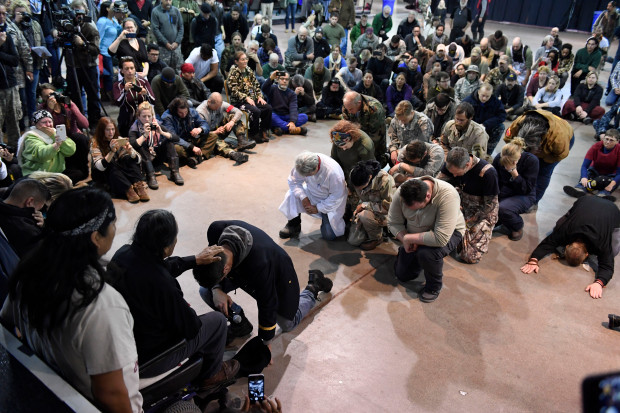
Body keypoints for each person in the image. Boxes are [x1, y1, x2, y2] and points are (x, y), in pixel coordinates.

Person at [1, 188, 143, 412]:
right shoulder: (102, 305)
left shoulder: (29, 272)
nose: (115, 230)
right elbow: (111, 394)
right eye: (113, 224)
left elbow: (7, 321)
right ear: (96, 238)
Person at [108, 209, 239, 390]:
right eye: (175, 237)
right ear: (166, 247)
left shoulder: (122, 254)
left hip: (122, 342)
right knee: (217, 322)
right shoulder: (163, 285)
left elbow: (158, 267)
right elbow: (191, 327)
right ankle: (211, 375)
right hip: (150, 360)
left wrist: (194, 260)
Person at [194, 220, 333, 346]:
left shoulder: (261, 264)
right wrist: (216, 289)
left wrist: (265, 343)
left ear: (226, 269)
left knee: (288, 323)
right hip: (239, 270)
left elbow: (267, 303)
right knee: (206, 291)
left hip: (279, 274)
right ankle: (240, 325)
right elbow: (210, 265)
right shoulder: (216, 230)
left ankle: (313, 286)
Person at [520, 196, 620, 299]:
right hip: (586, 200)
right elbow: (548, 244)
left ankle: (601, 200)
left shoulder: (601, 244)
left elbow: (607, 266)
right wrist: (533, 260)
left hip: (612, 209)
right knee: (558, 228)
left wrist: (599, 283)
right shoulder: (565, 231)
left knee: (614, 250)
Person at [387, 176, 465, 302]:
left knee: (427, 254)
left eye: (417, 208)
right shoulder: (403, 192)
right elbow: (393, 222)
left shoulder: (449, 196)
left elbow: (441, 238)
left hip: (448, 233)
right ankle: (416, 257)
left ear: (428, 196)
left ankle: (434, 287)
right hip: (415, 232)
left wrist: (409, 238)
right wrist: (404, 238)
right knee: (402, 275)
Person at [439, 147, 499, 263]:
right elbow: (439, 184)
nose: (454, 176)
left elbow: (490, 206)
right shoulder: (451, 164)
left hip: (481, 213)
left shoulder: (488, 173)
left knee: (469, 256)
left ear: (467, 165)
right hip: (460, 203)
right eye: (452, 173)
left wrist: (467, 223)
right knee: (439, 238)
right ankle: (457, 236)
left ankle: (461, 236)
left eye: (457, 173)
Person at [504, 109, 573, 204]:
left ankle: (533, 201)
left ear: (539, 144)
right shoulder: (517, 124)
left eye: (529, 149)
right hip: (537, 140)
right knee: (520, 163)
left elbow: (559, 156)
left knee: (543, 172)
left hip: (562, 134)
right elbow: (508, 140)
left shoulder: (558, 139)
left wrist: (540, 154)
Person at [279, 152, 348, 240]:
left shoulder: (333, 173)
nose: (306, 177)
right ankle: (293, 225)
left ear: (316, 168)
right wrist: (303, 197)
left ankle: (345, 215)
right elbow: (294, 181)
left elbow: (336, 197)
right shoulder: (301, 164)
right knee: (291, 194)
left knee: (329, 235)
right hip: (311, 192)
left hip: (329, 201)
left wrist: (318, 208)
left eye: (308, 175)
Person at [38, 85, 90, 183]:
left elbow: (85, 124)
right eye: (47, 96)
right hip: (56, 140)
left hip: (72, 137)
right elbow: (42, 127)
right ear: (43, 99)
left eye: (51, 94)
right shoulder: (42, 108)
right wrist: (49, 110)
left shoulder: (66, 104)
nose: (51, 97)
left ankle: (84, 171)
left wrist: (72, 105)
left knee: (81, 139)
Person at [16, 110, 85, 183]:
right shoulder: (31, 137)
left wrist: (53, 136)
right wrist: (56, 145)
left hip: (56, 173)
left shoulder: (56, 132)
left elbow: (71, 150)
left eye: (50, 121)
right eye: (44, 122)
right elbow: (42, 155)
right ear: (36, 124)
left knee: (78, 174)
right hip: (37, 175)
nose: (48, 125)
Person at [91, 117, 147, 203]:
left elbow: (139, 160)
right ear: (102, 130)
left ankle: (138, 185)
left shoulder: (118, 138)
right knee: (111, 163)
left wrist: (130, 151)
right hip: (104, 173)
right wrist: (112, 151)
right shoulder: (95, 143)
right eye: (107, 130)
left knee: (129, 158)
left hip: (118, 171)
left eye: (113, 129)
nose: (111, 132)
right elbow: (100, 167)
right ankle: (128, 189)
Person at [492, 137, 538, 241]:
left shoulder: (531, 161)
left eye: (509, 163)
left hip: (524, 194)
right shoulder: (499, 157)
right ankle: (501, 219)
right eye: (504, 163)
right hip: (504, 189)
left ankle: (517, 226)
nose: (505, 167)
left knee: (504, 208)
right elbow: (494, 179)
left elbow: (526, 189)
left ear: (519, 157)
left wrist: (514, 173)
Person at [128, 101, 182, 188]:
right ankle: (151, 176)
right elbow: (133, 145)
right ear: (138, 116)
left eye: (149, 116)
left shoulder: (156, 124)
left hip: (157, 156)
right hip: (144, 160)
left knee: (169, 141)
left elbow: (176, 138)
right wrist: (144, 135)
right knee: (140, 145)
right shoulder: (134, 128)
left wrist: (162, 132)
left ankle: (175, 172)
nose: (147, 119)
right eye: (144, 116)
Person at [347, 160, 395, 250]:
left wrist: (365, 206)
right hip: (363, 208)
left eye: (361, 187)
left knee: (364, 215)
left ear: (369, 177)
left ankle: (376, 238)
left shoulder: (385, 181)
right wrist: (354, 213)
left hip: (384, 213)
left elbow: (389, 207)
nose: (359, 189)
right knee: (353, 241)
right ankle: (368, 227)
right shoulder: (354, 174)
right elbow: (355, 195)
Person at [227, 51, 273, 143]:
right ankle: (253, 133)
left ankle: (263, 131)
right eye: (242, 59)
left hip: (252, 98)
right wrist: (246, 98)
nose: (245, 61)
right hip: (239, 101)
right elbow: (234, 91)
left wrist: (259, 96)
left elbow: (256, 85)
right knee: (256, 111)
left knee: (268, 108)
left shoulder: (249, 70)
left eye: (246, 59)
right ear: (236, 61)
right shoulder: (233, 73)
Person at [563, 129, 620, 202]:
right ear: (603, 138)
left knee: (608, 183)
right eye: (606, 139)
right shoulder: (596, 146)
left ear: (617, 141)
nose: (608, 142)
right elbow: (584, 166)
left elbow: (619, 173)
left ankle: (603, 193)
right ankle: (580, 188)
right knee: (588, 176)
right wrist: (584, 177)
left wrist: (612, 184)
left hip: (610, 175)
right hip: (595, 171)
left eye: (611, 140)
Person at [0, 178, 49, 257]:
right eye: (38, 209)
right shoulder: (27, 231)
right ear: (29, 202)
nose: (38, 213)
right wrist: (43, 228)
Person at [113, 56, 155, 137]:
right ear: (122, 70)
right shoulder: (118, 85)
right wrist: (124, 91)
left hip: (143, 119)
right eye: (126, 69)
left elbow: (153, 100)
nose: (130, 71)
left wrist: (146, 94)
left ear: (135, 69)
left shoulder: (143, 82)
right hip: (126, 121)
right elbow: (118, 103)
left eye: (132, 68)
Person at [342, 91, 387, 165]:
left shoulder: (374, 109)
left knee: (373, 161)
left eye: (351, 109)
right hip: (358, 132)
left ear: (359, 103)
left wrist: (361, 148)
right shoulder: (348, 105)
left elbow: (376, 135)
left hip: (374, 136)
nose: (349, 112)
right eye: (347, 109)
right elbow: (346, 125)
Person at [463, 83, 507, 155]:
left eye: (487, 96)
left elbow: (502, 116)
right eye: (483, 95)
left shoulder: (495, 102)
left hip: (487, 127)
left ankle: (488, 153)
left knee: (500, 127)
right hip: (471, 128)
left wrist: (485, 124)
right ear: (479, 92)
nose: (484, 98)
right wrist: (474, 126)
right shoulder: (468, 101)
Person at [261, 71, 308, 136]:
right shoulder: (273, 89)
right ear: (278, 80)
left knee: (304, 117)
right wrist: (271, 78)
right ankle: (296, 130)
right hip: (276, 115)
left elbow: (293, 108)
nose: (284, 81)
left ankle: (281, 129)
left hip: (287, 116)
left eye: (286, 79)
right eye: (282, 79)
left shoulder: (292, 94)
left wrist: (292, 122)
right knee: (270, 116)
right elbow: (263, 88)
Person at [96, 1, 121, 102]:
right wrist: (98, 51)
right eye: (112, 7)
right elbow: (99, 37)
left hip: (113, 51)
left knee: (112, 74)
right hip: (104, 52)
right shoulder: (102, 21)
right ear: (107, 9)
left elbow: (119, 31)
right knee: (108, 75)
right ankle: (108, 95)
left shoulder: (114, 20)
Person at [151, 0, 184, 71]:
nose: (168, 2)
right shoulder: (155, 11)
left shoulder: (176, 11)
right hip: (163, 48)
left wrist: (177, 42)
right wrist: (166, 43)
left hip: (176, 48)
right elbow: (155, 30)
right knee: (164, 70)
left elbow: (181, 27)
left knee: (178, 69)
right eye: (166, 0)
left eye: (170, 0)